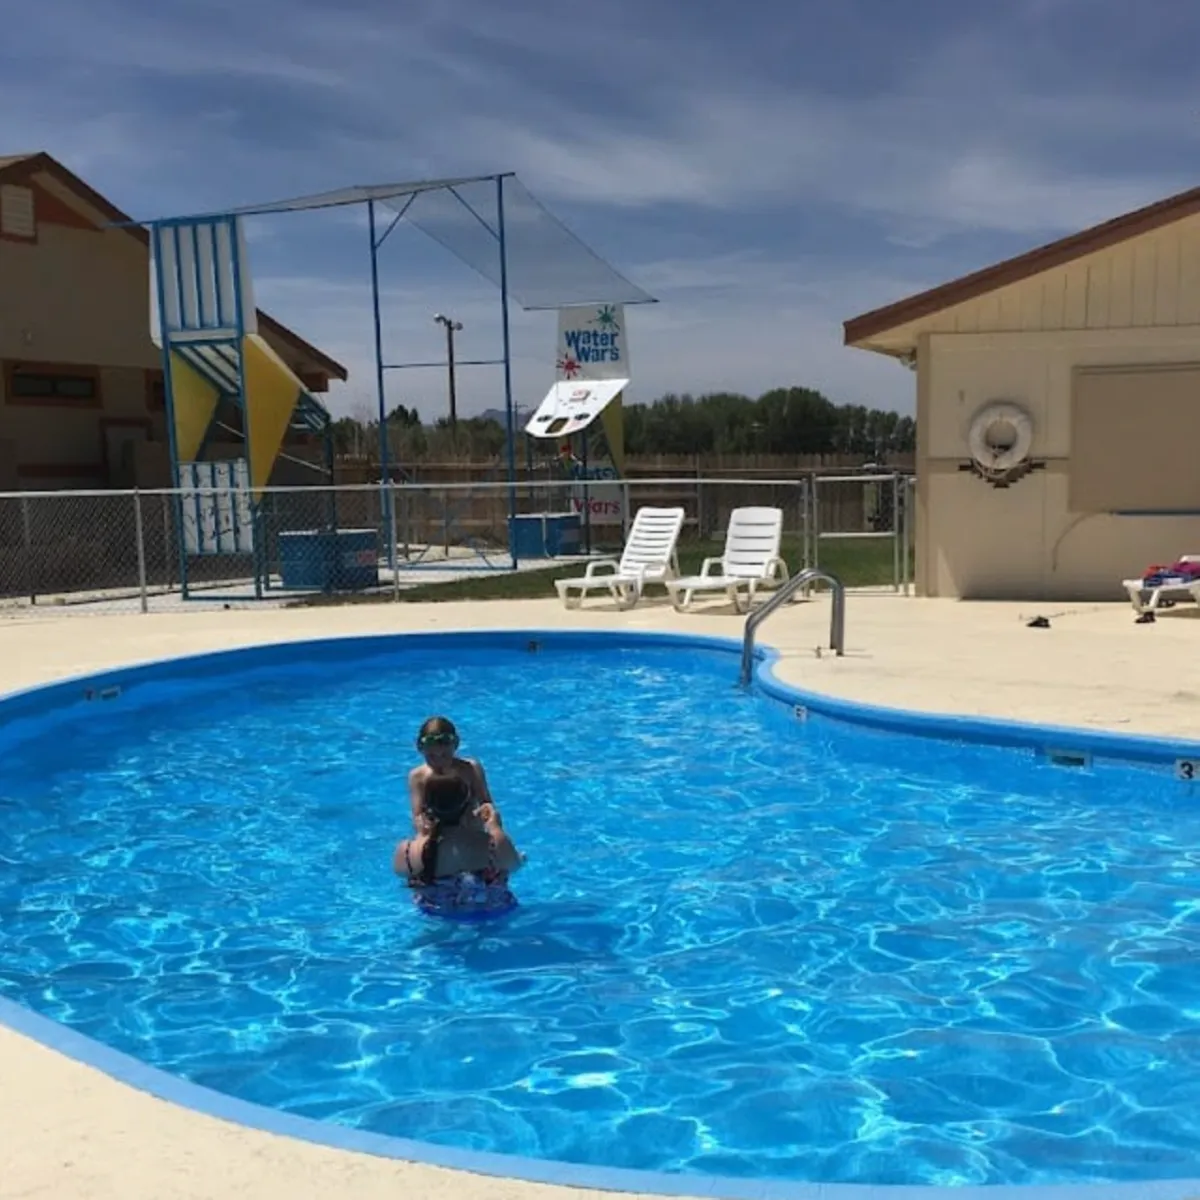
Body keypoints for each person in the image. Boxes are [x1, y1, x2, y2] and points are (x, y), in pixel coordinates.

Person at [393, 769, 524, 916]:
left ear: (426, 809)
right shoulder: (491, 843)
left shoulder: (407, 850)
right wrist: (495, 827)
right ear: (470, 807)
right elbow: (515, 865)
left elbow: (402, 872)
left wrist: (422, 834)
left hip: (436, 916)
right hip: (493, 915)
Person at [407, 716, 498, 836]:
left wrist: (483, 815)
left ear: (455, 746)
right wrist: (423, 824)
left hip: (470, 833)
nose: (439, 761)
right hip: (436, 837)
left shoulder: (470, 769)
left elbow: (487, 804)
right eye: (432, 756)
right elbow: (417, 816)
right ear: (420, 749)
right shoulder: (418, 777)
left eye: (445, 755)